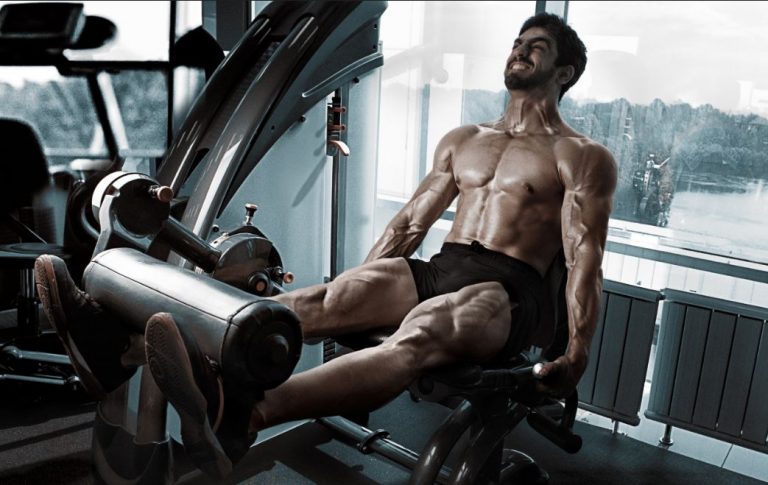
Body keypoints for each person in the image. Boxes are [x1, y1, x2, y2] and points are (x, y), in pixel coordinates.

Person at [34, 12, 616, 479]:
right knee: (322, 301)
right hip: (446, 263)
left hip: (508, 291)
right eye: (518, 40)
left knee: (426, 328)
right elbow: (409, 225)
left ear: (564, 72)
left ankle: (245, 414)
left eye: (537, 45)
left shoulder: (580, 155)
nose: (520, 49)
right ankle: (119, 341)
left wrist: (577, 353)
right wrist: (354, 298)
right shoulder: (465, 139)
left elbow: (583, 254)